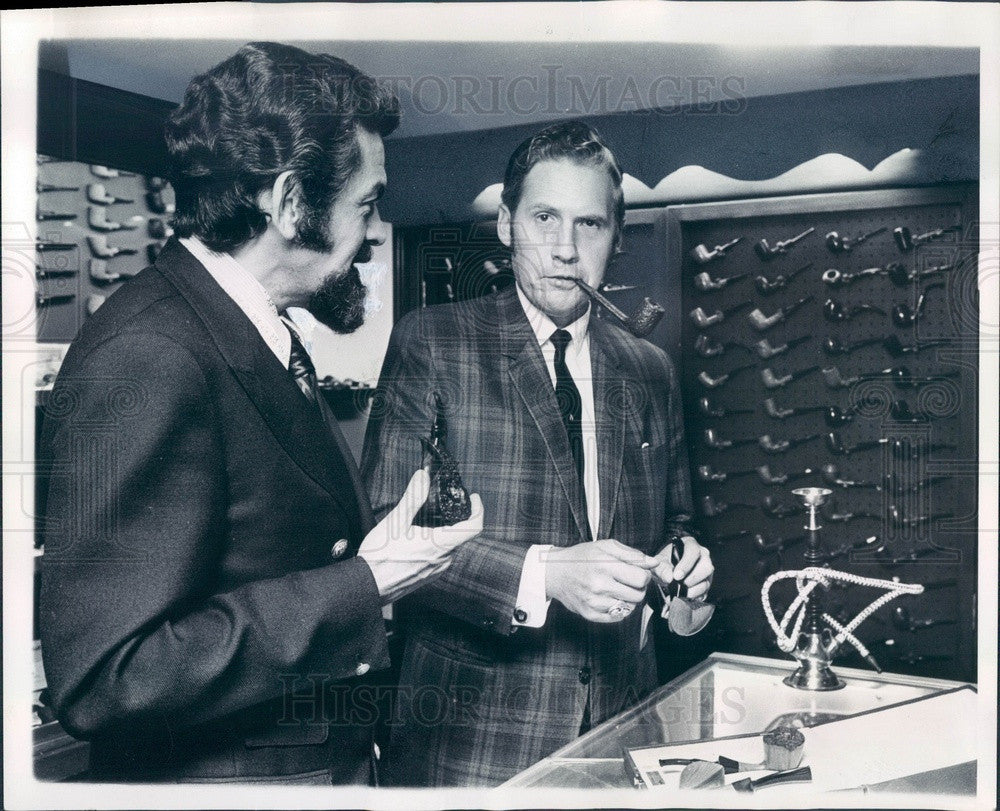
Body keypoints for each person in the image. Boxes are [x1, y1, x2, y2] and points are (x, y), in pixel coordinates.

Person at [38, 41, 482, 785]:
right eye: (366, 205)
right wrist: (365, 582)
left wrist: (380, 548)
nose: (374, 235)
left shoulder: (248, 329)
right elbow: (106, 676)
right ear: (286, 202)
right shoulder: (152, 351)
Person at [361, 120, 713, 787]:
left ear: (617, 236)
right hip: (469, 750)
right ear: (505, 224)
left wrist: (685, 577)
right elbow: (387, 533)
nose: (565, 249)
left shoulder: (651, 370)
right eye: (544, 217)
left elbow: (675, 528)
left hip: (621, 736)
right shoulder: (434, 343)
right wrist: (546, 575)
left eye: (590, 225)